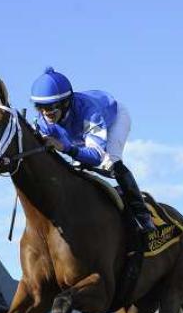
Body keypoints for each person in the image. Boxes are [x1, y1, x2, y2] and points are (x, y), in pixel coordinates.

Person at [30, 67, 156, 237]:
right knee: (74, 169)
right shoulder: (43, 121)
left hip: (113, 119)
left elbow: (96, 157)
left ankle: (142, 215)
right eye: (41, 107)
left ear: (65, 103)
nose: (46, 113)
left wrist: (65, 147)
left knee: (111, 162)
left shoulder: (90, 111)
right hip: (79, 132)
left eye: (51, 107)